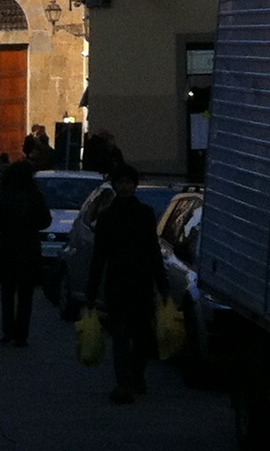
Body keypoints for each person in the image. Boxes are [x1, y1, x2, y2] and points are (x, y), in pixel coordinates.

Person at [84, 165, 163, 403]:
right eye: (121, 182)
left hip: (141, 283)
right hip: (117, 284)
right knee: (120, 335)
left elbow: (154, 252)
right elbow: (99, 256)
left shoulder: (145, 214)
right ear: (115, 186)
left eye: (129, 182)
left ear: (135, 185)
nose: (125, 187)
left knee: (140, 337)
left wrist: (163, 285)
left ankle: (136, 377)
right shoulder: (107, 217)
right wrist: (91, 292)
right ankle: (125, 382)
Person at [0, 161, 50, 345]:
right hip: (29, 248)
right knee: (25, 294)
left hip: (8, 246)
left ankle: (8, 330)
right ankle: (21, 334)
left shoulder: (4, 195)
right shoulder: (35, 196)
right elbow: (45, 221)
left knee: (7, 291)